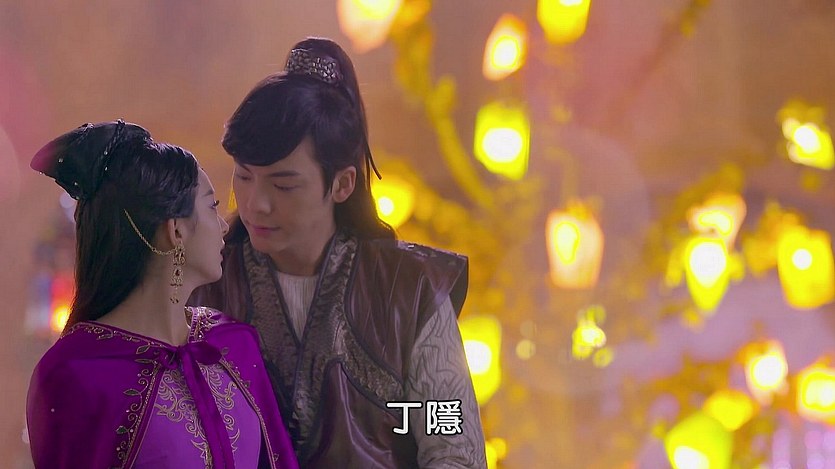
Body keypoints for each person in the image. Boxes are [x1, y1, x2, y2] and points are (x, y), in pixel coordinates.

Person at [189, 37, 487, 468]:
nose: (255, 203)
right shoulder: (204, 287)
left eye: (284, 185)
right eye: (245, 176)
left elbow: (453, 447)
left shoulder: (409, 291)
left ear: (342, 184)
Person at [26, 120, 299, 469]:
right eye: (212, 206)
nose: (224, 225)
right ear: (176, 230)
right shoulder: (75, 374)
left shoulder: (232, 344)